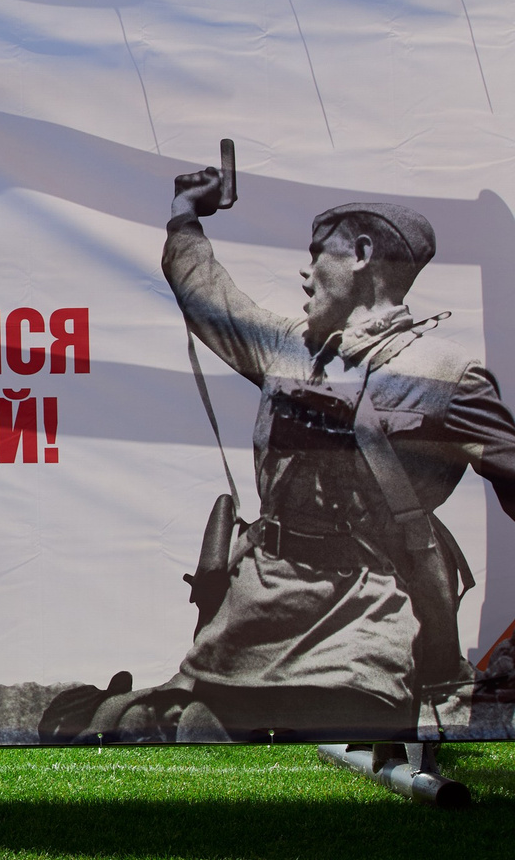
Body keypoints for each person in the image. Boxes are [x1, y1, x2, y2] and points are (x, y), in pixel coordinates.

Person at [82, 169, 515, 741]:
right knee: (171, 735)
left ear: (361, 255)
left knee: (342, 777)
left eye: (317, 255)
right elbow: (208, 295)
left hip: (362, 624)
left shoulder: (446, 375)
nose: (304, 273)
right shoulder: (288, 344)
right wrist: (185, 216)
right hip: (255, 614)